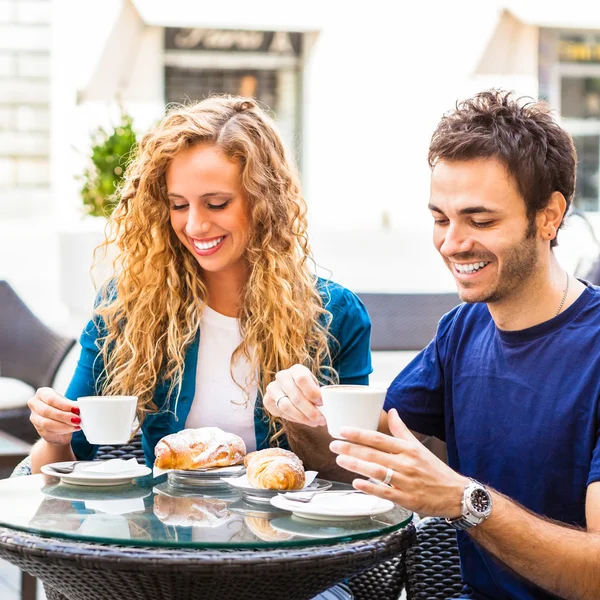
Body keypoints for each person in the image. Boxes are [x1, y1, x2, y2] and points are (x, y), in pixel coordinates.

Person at [266, 90, 600, 600]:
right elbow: (358, 465)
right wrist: (303, 415)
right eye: (441, 219)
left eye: (480, 220)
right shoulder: (460, 331)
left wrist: (466, 501)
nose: (452, 243)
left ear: (549, 216)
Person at [27, 96, 371, 475]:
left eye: (217, 203)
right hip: (160, 531)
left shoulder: (333, 315)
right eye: (178, 205)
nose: (194, 226)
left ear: (264, 202)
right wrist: (53, 435)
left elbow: (352, 476)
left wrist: (306, 423)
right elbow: (55, 470)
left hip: (284, 533)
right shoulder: (127, 306)